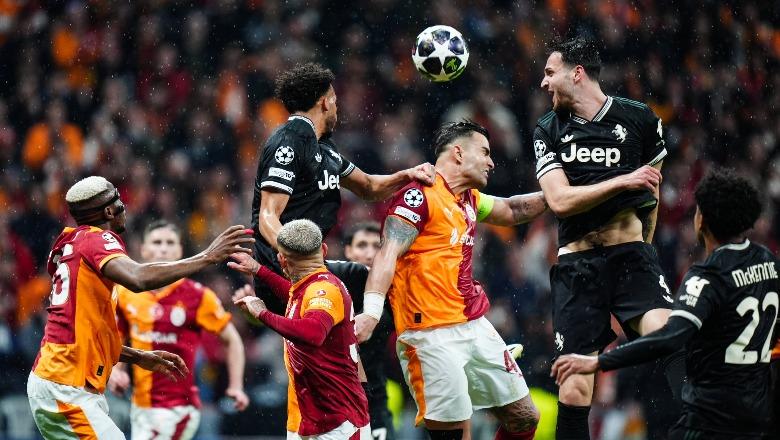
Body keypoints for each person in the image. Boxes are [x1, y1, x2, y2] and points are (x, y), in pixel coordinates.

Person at [353, 120, 547, 440]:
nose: (491, 161)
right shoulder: (419, 195)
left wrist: (559, 192)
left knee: (524, 418)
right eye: (484, 152)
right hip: (429, 335)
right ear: (458, 152)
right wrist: (372, 311)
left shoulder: (469, 198)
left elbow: (513, 209)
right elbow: (387, 253)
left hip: (473, 322)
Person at [552, 169, 777, 440]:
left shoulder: (706, 277)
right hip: (759, 416)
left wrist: (598, 362)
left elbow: (669, 338)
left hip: (710, 420)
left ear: (701, 220)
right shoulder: (768, 262)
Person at [533, 36, 683, 439]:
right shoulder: (547, 130)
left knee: (671, 338)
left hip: (631, 258)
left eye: (550, 73)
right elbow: (560, 201)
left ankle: (704, 429)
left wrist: (644, 249)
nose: (544, 83)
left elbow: (650, 196)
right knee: (575, 383)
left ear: (577, 72)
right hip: (577, 267)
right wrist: (623, 181)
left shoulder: (640, 120)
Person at [27, 176, 254, 438]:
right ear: (109, 211)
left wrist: (137, 357)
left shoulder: (71, 243)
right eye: (119, 200)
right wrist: (208, 256)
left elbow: (85, 330)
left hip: (60, 379)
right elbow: (138, 279)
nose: (125, 206)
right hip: (66, 384)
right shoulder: (97, 241)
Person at [251, 62, 434, 315]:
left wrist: (407, 175)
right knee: (378, 290)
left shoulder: (324, 149)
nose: (337, 107)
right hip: (284, 273)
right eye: (335, 101)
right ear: (325, 103)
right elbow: (267, 217)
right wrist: (299, 260)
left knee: (382, 285)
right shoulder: (288, 143)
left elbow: (369, 187)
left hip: (313, 268)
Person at [231, 221, 395, 440]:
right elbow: (292, 294)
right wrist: (258, 270)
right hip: (309, 415)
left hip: (337, 421)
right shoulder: (309, 286)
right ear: (324, 250)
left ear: (281, 260)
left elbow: (313, 333)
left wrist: (263, 313)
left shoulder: (324, 289)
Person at [107, 220, 249, 440]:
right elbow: (117, 339)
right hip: (139, 405)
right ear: (143, 249)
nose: (163, 247)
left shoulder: (198, 295)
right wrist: (117, 372)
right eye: (157, 242)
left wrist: (236, 385)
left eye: (170, 242)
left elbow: (232, 340)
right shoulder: (126, 295)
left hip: (177, 409)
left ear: (180, 250)